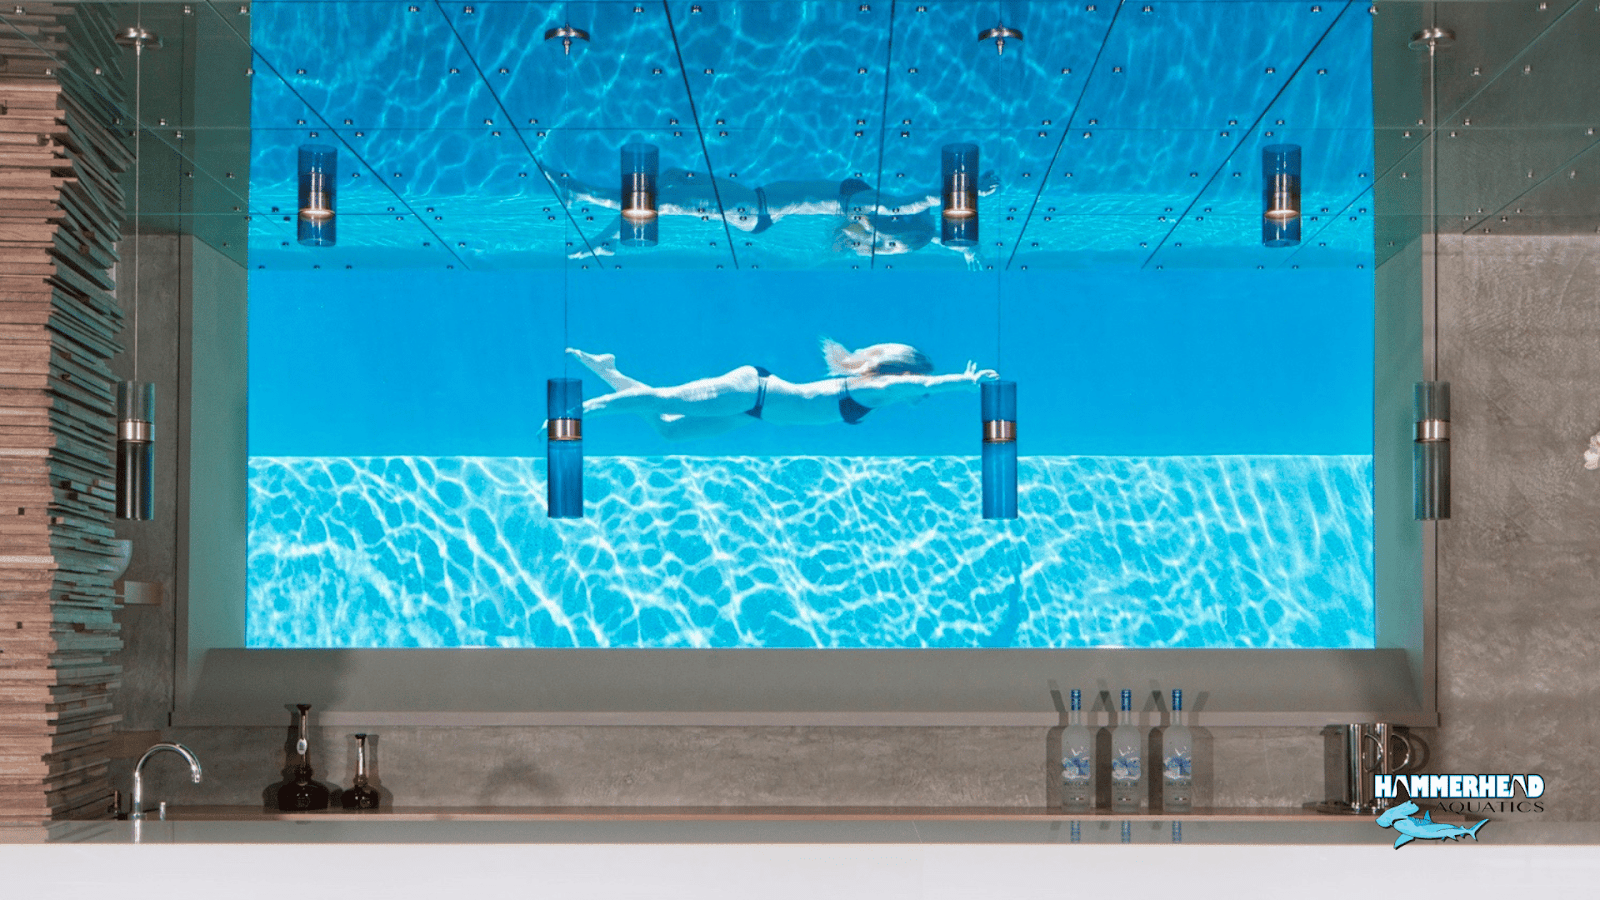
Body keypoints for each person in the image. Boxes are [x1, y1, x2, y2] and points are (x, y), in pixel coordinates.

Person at [560, 341, 999, 442]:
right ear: (902, 374)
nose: (918, 391)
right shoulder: (878, 388)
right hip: (753, 391)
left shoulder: (879, 392)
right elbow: (925, 384)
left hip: (755, 411)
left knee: (669, 430)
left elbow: (920, 385)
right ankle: (582, 411)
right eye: (914, 381)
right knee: (663, 400)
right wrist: (964, 382)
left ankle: (609, 371)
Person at [563, 168, 999, 268]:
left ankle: (584, 194)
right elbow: (922, 225)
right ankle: (606, 236)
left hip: (756, 208)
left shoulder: (873, 209)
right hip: (757, 206)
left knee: (672, 202)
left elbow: (910, 205)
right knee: (676, 180)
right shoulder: (877, 218)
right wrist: (960, 248)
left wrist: (968, 192)